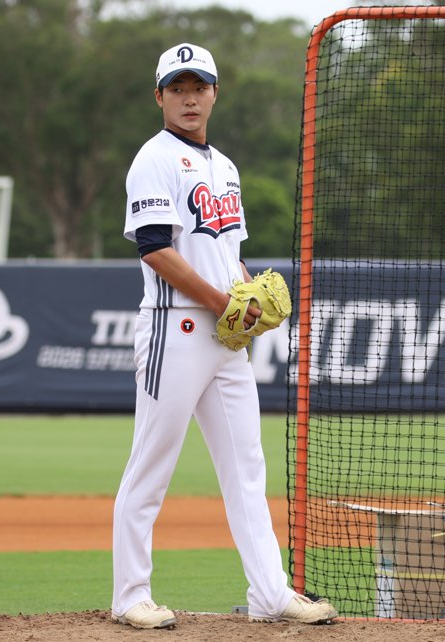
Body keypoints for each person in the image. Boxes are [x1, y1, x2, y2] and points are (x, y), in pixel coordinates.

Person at [110, 43, 338, 630]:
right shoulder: (153, 159)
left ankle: (270, 592)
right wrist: (221, 302)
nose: (190, 97)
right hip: (175, 327)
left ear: (214, 93)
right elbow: (155, 247)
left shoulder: (226, 166)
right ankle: (130, 593)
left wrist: (248, 298)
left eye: (199, 86)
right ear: (159, 96)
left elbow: (226, 253)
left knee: (247, 467)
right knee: (151, 464)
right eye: (178, 87)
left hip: (226, 339)